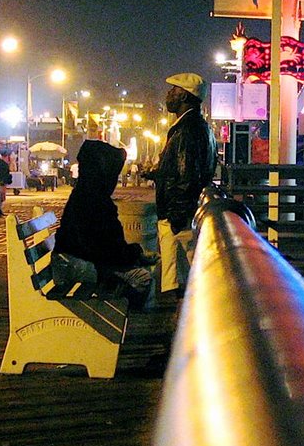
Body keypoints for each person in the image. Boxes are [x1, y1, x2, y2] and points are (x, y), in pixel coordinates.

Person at [53, 139, 158, 310]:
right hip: (75, 265)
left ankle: (119, 314)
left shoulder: (87, 194)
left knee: (137, 269)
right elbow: (101, 250)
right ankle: (119, 317)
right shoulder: (92, 201)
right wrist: (133, 255)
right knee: (142, 278)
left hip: (75, 260)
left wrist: (134, 254)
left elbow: (107, 245)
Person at [154, 72, 217, 296]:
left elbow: (186, 174)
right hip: (184, 209)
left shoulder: (185, 130)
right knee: (182, 274)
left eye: (173, 91)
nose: (168, 95)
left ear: (185, 96)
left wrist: (176, 217)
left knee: (185, 272)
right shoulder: (202, 128)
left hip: (178, 213)